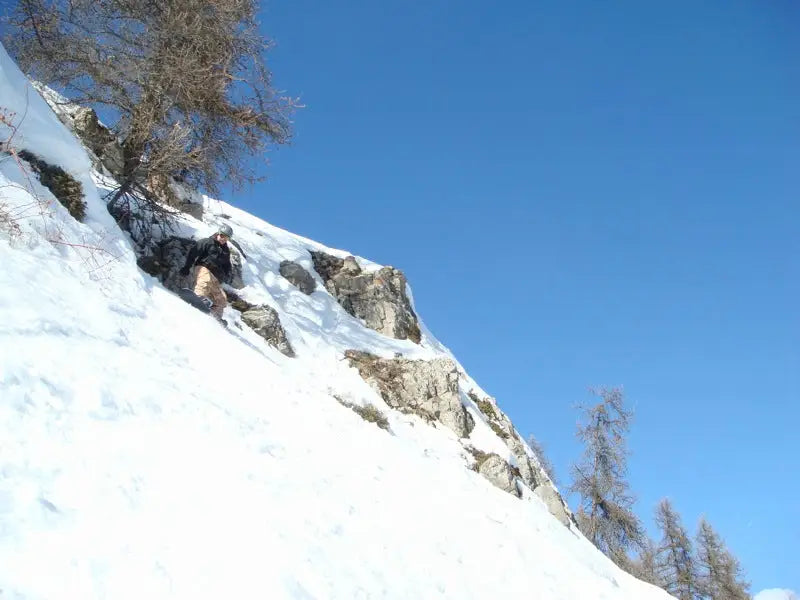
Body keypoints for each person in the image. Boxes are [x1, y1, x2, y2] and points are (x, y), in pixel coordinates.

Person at [180, 225, 233, 323]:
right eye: (222, 235)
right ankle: (198, 296)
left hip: (215, 276)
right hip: (203, 268)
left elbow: (227, 265)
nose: (223, 239)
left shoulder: (226, 251)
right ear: (218, 233)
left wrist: (227, 273)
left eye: (226, 237)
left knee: (222, 299)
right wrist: (187, 267)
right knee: (205, 280)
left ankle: (215, 316)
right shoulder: (207, 242)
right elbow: (193, 252)